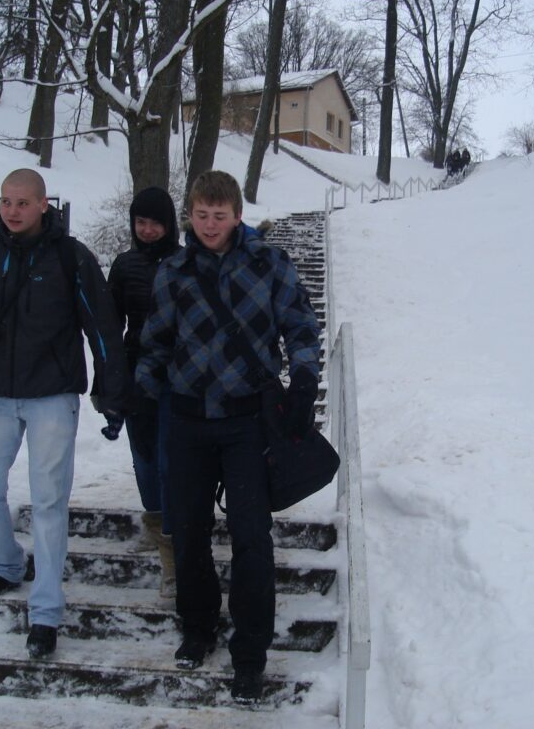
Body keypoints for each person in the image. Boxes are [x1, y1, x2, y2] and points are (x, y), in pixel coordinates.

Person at [135, 170, 321, 705]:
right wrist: (145, 403)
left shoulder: (270, 264)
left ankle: (251, 651)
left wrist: (304, 378)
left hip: (246, 424)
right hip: (189, 421)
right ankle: (198, 626)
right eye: (201, 214)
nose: (210, 224)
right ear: (189, 215)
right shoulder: (174, 271)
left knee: (251, 537)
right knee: (188, 531)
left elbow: (301, 325)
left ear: (237, 215)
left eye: (220, 215)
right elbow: (155, 343)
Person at [0, 168, 124, 658]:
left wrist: (111, 395)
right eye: (5, 202)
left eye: (23, 202)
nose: (12, 211)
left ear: (44, 204)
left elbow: (102, 328)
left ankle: (45, 612)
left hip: (52, 396)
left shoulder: (70, 257)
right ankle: (3, 564)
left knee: (47, 502)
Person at [104, 187, 180, 597]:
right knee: (145, 460)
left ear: (169, 224)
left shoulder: (187, 262)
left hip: (180, 377)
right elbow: (110, 328)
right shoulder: (124, 265)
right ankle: (158, 526)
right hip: (137, 377)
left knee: (171, 461)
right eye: (140, 222)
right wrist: (110, 379)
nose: (148, 230)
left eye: (155, 222)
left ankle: (173, 551)